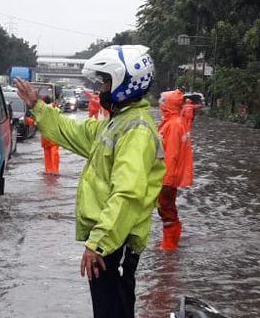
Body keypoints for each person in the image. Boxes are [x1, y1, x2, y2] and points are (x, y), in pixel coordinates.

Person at [15, 45, 165, 318]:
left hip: (114, 241)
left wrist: (98, 243)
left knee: (113, 311)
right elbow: (73, 132)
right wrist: (37, 107)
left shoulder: (136, 131)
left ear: (125, 83)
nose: (102, 87)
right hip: (110, 239)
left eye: (106, 81)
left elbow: (127, 195)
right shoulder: (117, 122)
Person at [156, 88, 193, 251]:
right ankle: (170, 240)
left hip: (167, 177)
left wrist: (167, 180)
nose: (160, 103)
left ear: (169, 104)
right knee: (166, 207)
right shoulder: (171, 122)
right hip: (165, 175)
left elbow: (171, 155)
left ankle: (170, 244)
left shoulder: (173, 124)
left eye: (163, 100)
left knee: (166, 208)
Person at [40, 96, 60, 175]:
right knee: (51, 156)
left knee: (51, 156)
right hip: (49, 139)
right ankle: (52, 172)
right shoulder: (54, 109)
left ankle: (51, 172)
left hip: (50, 139)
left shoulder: (50, 109)